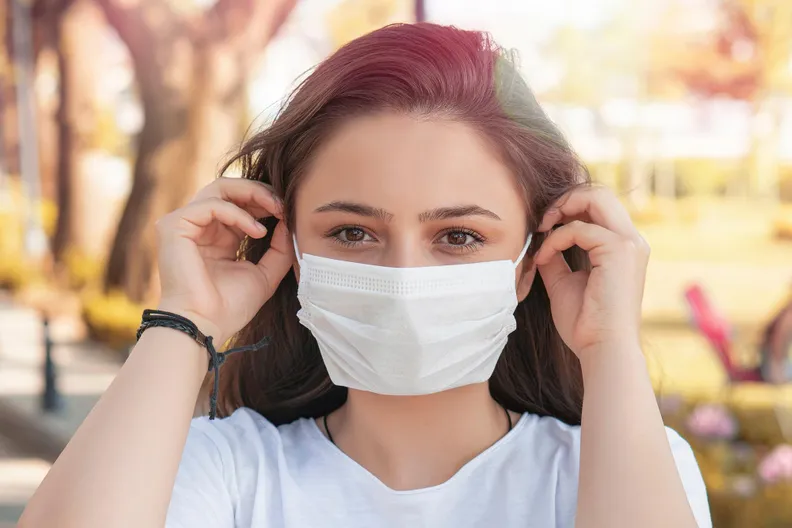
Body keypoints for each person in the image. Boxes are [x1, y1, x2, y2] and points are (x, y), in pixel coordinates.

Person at [19, 23, 711, 528]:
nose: (405, 276)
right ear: (286, 246)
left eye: (459, 236)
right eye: (353, 232)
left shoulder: (623, 466)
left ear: (533, 260)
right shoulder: (217, 469)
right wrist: (185, 320)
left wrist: (609, 343)